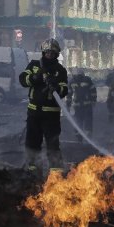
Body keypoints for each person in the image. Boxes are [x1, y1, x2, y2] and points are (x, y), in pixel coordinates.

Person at [18, 38, 69, 172]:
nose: (49, 55)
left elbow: (65, 90)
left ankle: (56, 171)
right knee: (32, 142)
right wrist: (34, 78)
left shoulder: (60, 70)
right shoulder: (34, 65)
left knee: (52, 143)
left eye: (52, 53)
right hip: (34, 112)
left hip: (51, 115)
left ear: (56, 54)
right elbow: (22, 79)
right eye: (47, 52)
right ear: (43, 52)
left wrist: (56, 87)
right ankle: (32, 168)